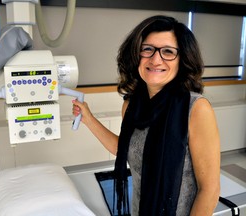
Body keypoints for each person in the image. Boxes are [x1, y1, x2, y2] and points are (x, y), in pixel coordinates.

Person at [72, 15, 220, 216]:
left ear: (182, 60)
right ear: (136, 55)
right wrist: (88, 118)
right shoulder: (131, 105)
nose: (155, 59)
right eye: (147, 49)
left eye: (168, 51)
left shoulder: (196, 109)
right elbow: (126, 147)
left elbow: (209, 190)